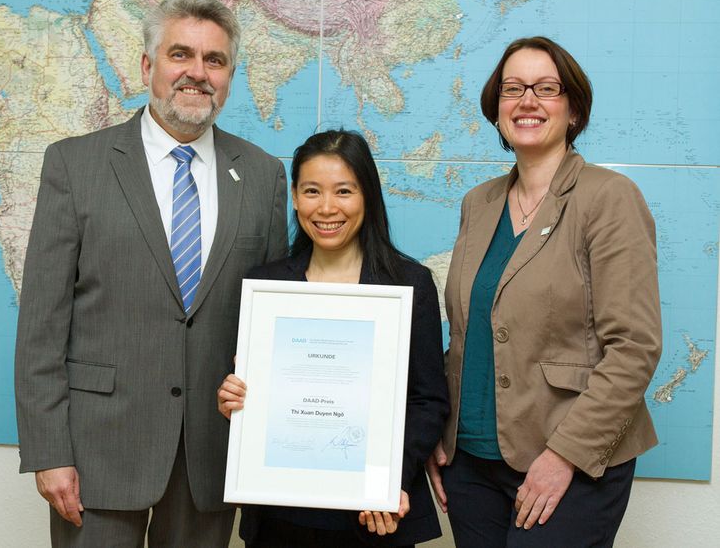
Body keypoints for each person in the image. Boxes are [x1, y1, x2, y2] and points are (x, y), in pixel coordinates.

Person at [14, 0, 287, 546]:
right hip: (97, 453)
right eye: (180, 55)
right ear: (147, 65)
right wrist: (48, 452)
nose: (197, 73)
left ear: (230, 75)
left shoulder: (261, 176)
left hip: (212, 453)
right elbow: (42, 324)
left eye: (215, 60)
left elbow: (271, 325)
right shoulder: (75, 164)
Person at [426, 36, 662, 547]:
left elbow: (635, 348)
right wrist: (435, 435)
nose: (527, 101)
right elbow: (468, 335)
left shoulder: (609, 198)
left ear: (573, 109)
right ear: (496, 110)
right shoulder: (478, 203)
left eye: (546, 88)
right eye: (512, 88)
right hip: (470, 463)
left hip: (569, 462)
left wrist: (565, 456)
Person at [217, 130, 449, 547]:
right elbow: (254, 398)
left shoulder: (410, 284)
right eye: (311, 191)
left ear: (368, 196)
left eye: (344, 191)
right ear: (293, 196)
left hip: (375, 516)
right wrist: (234, 399)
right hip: (279, 516)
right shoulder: (265, 287)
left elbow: (428, 400)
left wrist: (389, 479)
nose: (326, 208)